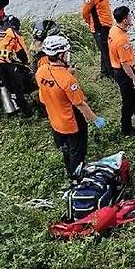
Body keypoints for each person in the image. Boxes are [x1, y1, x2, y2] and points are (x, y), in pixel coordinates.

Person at [36, 35, 106, 178]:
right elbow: (80, 104)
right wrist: (95, 119)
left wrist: (67, 72)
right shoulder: (68, 80)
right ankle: (76, 177)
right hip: (71, 123)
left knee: (66, 149)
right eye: (66, 52)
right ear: (61, 55)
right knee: (77, 151)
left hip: (55, 121)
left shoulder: (41, 71)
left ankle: (69, 169)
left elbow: (50, 88)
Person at [108, 6, 135, 136]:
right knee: (128, 101)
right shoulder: (121, 40)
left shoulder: (114, 29)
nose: (131, 18)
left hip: (118, 70)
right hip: (124, 73)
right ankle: (126, 128)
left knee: (133, 95)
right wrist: (134, 78)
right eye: (129, 16)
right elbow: (124, 64)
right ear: (125, 20)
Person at [81, 0, 114, 79]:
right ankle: (111, 76)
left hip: (106, 26)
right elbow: (85, 12)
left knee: (105, 50)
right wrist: (91, 24)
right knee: (107, 53)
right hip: (99, 28)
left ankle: (104, 73)